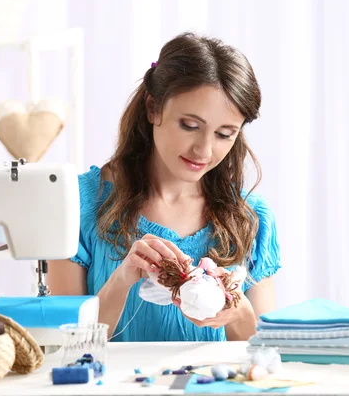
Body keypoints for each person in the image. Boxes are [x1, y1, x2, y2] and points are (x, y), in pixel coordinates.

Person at [47, 32, 281, 342]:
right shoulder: (77, 204)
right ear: (153, 107)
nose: (204, 151)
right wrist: (121, 280)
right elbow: (64, 346)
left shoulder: (251, 216)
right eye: (190, 126)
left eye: (225, 134)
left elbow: (263, 354)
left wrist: (237, 311)